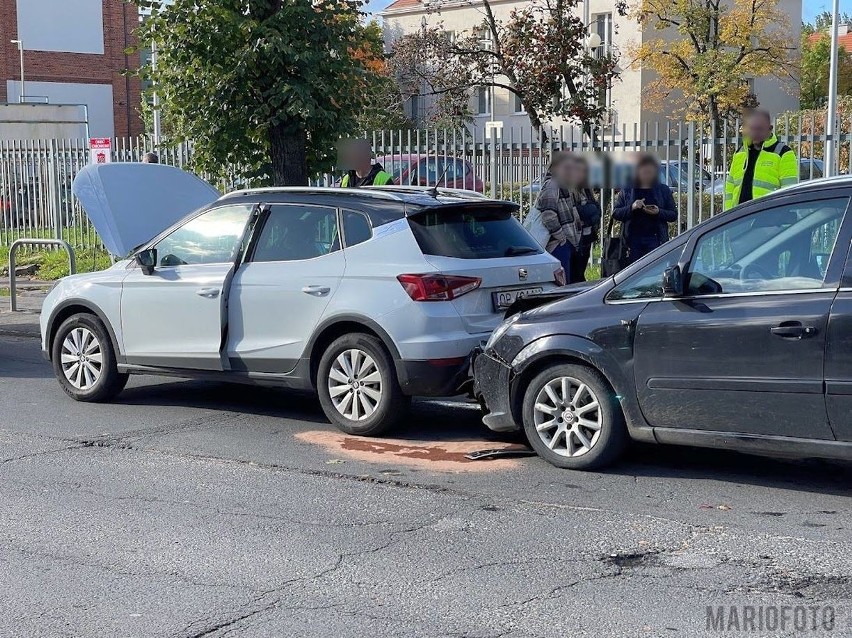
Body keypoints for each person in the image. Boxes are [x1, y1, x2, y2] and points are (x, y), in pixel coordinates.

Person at [724, 109, 797, 210]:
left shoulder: (783, 153)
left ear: (770, 129)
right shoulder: (740, 153)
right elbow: (729, 188)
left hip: (768, 218)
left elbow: (789, 190)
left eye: (759, 129)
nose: (755, 133)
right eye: (752, 129)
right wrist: (728, 214)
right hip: (740, 218)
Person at [612, 154, 678, 264]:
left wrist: (659, 212)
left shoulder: (663, 190)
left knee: (654, 269)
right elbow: (616, 213)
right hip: (632, 239)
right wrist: (632, 207)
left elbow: (673, 215)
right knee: (634, 271)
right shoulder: (627, 190)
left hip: (655, 238)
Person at [536, 152, 581, 280]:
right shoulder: (552, 185)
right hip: (557, 245)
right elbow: (548, 214)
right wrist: (561, 237)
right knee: (561, 285)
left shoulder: (564, 185)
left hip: (566, 243)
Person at [565, 155, 601, 283]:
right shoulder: (569, 191)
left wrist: (590, 215)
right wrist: (590, 211)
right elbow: (575, 212)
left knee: (581, 270)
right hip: (575, 237)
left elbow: (598, 211)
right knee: (575, 273)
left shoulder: (587, 190)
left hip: (587, 236)